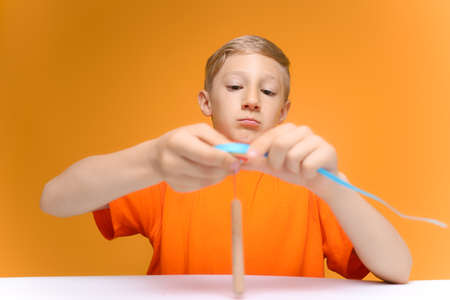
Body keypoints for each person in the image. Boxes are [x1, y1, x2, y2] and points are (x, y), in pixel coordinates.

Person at [40, 35, 412, 283]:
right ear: (206, 102)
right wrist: (152, 159)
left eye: (267, 91)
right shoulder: (171, 171)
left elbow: (398, 270)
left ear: (283, 112)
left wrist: (336, 188)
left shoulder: (308, 182)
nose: (251, 99)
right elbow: (54, 199)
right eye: (235, 87)